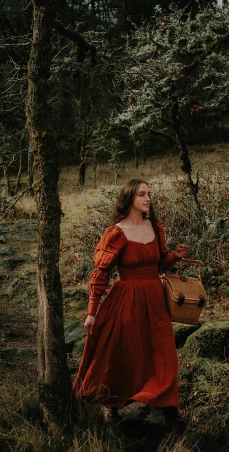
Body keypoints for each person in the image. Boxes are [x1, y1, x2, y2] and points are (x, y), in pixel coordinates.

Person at [73, 179, 190, 432]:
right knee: (123, 352)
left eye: (149, 194)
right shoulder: (115, 232)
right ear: (129, 199)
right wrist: (92, 312)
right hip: (126, 300)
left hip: (156, 301)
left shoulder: (156, 227)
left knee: (164, 354)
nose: (148, 199)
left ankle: (171, 419)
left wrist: (174, 257)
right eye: (142, 195)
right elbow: (100, 275)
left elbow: (159, 266)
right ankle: (112, 406)